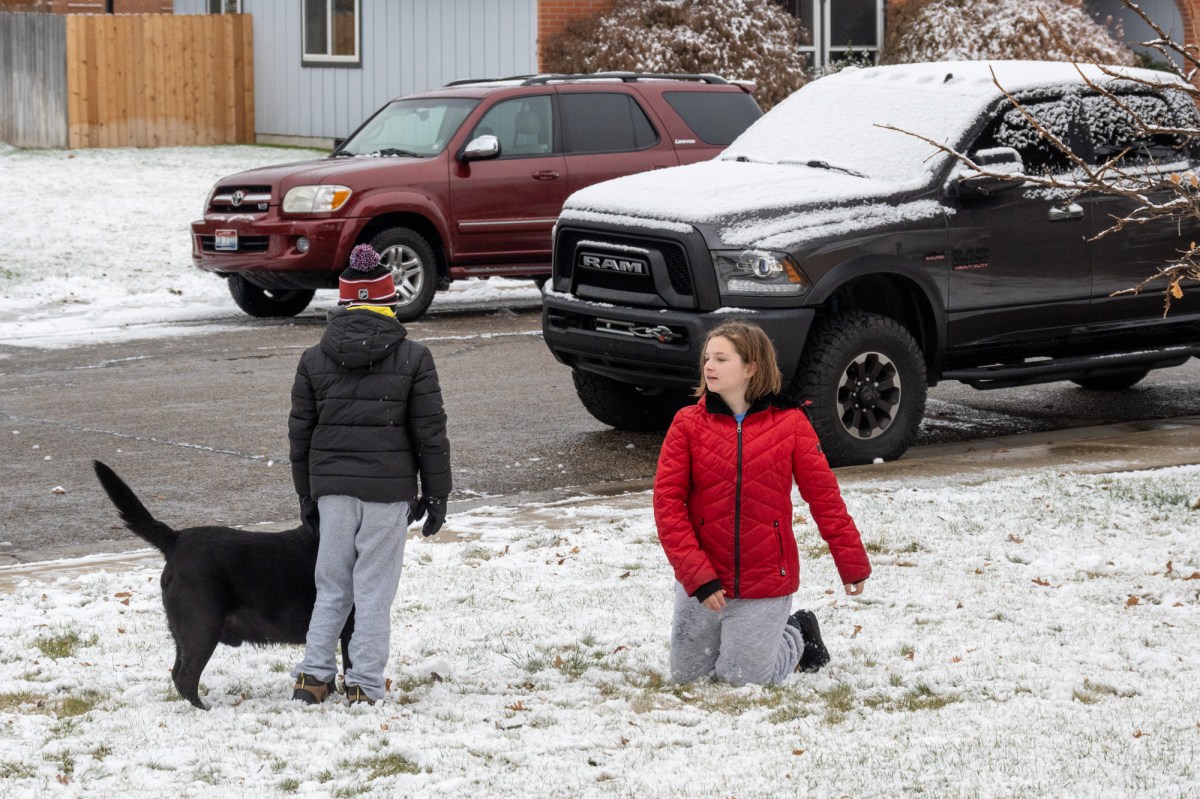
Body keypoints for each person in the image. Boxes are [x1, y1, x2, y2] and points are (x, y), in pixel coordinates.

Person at [653, 320, 871, 686]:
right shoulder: (687, 424)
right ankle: (746, 636)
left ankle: (797, 633)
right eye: (707, 358)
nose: (709, 366)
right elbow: (667, 504)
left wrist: (852, 563)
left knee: (742, 680)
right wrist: (697, 575)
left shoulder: (791, 424)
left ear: (751, 367)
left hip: (765, 577)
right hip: (704, 577)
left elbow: (824, 497)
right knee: (687, 677)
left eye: (721, 359)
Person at [289, 243, 451, 706]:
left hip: (333, 491)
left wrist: (307, 495)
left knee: (332, 588)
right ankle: (363, 683)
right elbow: (429, 434)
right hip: (388, 492)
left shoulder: (313, 359)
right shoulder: (413, 357)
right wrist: (436, 494)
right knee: (374, 592)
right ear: (389, 301)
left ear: (343, 303)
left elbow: (300, 436)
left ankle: (313, 677)